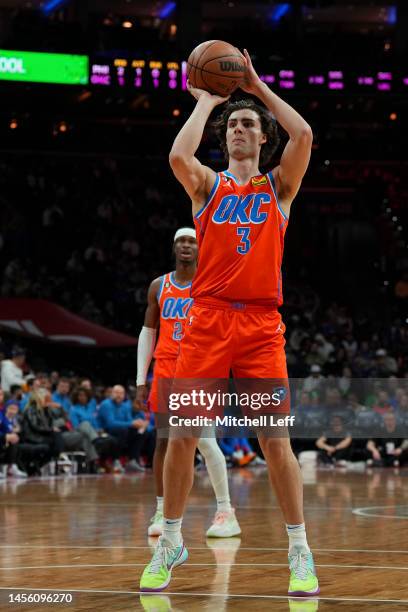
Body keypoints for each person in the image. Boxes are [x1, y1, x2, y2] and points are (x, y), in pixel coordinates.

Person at [140, 49, 318, 596]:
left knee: (276, 441)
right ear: (225, 138)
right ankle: (170, 538)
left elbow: (305, 133)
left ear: (263, 139)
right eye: (234, 125)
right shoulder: (207, 187)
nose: (240, 129)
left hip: (262, 328)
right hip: (208, 323)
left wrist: (258, 88)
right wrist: (209, 101)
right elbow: (177, 154)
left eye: (249, 125)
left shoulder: (279, 189)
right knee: (182, 436)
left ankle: (299, 549)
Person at [136, 228, 241, 538]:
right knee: (164, 442)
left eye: (191, 241)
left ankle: (226, 511)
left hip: (200, 369)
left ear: (200, 248)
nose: (185, 246)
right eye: (180, 241)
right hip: (166, 368)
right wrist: (141, 380)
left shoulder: (211, 285)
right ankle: (161, 508)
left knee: (205, 442)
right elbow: (147, 333)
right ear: (173, 248)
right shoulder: (159, 286)